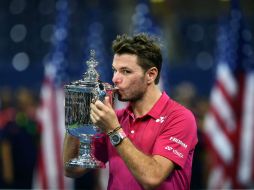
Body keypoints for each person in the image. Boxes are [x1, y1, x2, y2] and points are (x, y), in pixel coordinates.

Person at [63, 33, 198, 190]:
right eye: (115, 70)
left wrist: (114, 130)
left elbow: (153, 178)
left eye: (126, 71)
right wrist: (78, 117)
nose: (115, 79)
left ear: (151, 75)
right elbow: (72, 169)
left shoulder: (179, 117)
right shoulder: (116, 118)